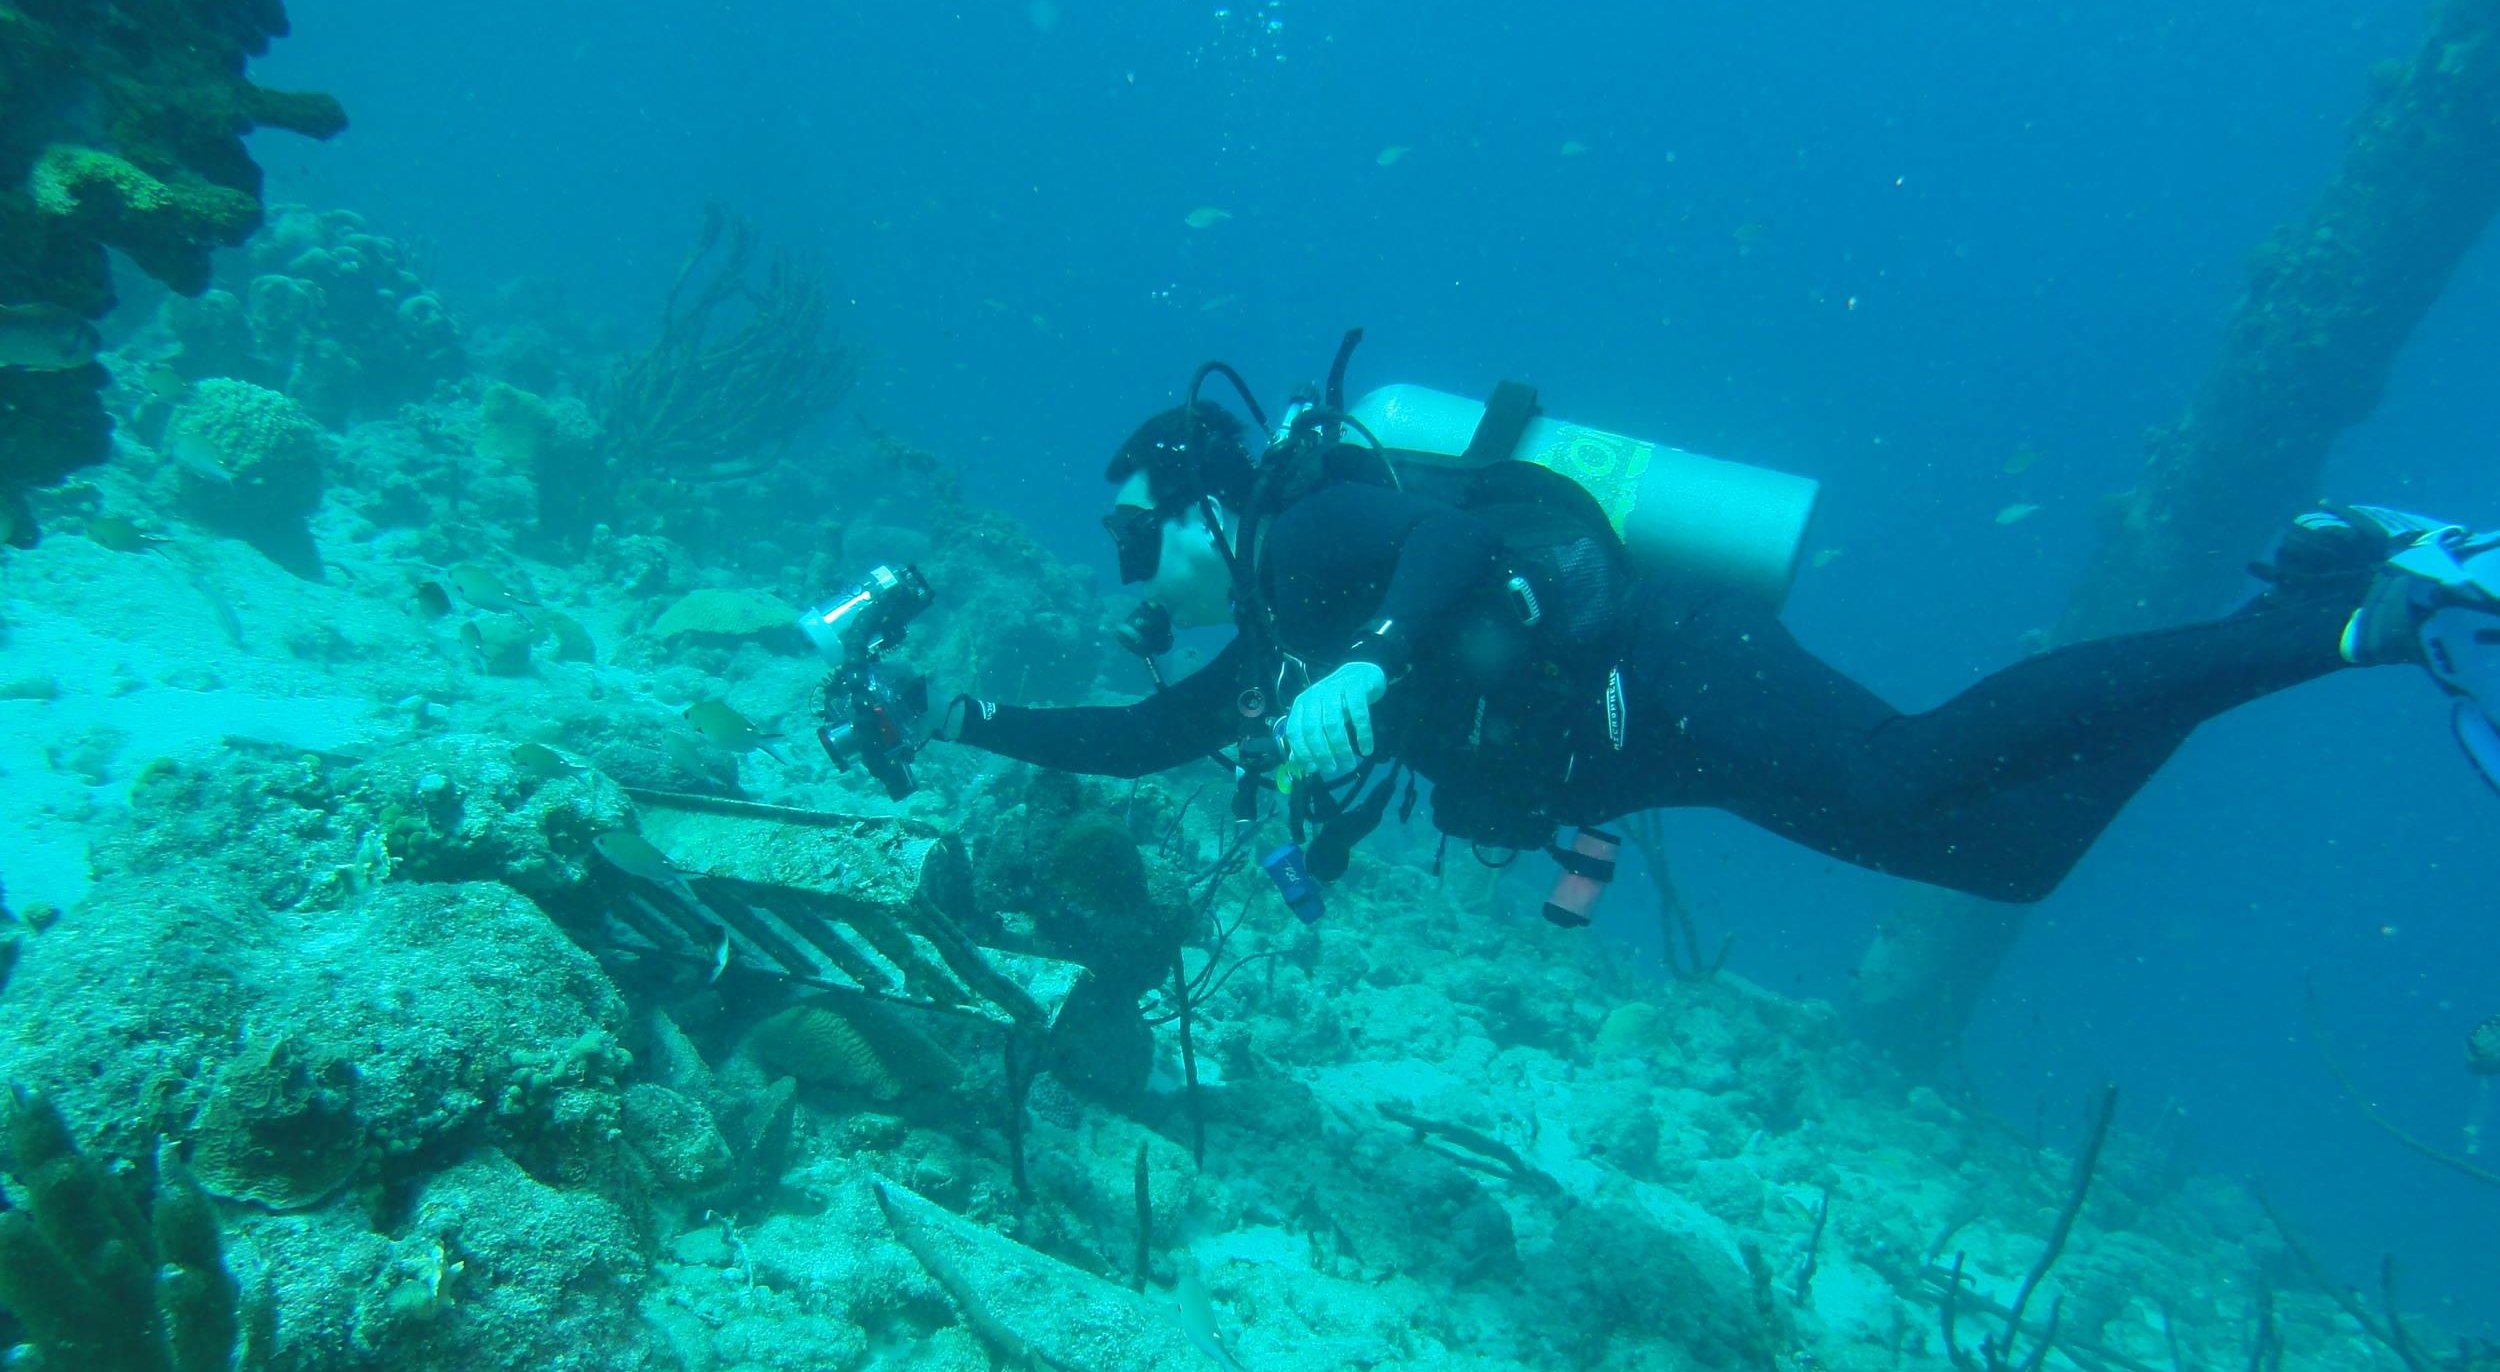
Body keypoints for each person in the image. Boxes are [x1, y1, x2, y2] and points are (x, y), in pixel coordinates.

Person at [928, 371, 2500, 908]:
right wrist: (962, 716)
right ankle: (2294, 602)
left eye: (1138, 530)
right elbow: (1146, 739)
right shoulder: (1280, 629)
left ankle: (2356, 617)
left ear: (1202, 502)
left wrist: (1373, 660)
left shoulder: (1311, 529)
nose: (1135, 564)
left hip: (1668, 659)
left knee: (1908, 766)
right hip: (1641, 746)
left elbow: (1460, 534)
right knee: (2004, 858)